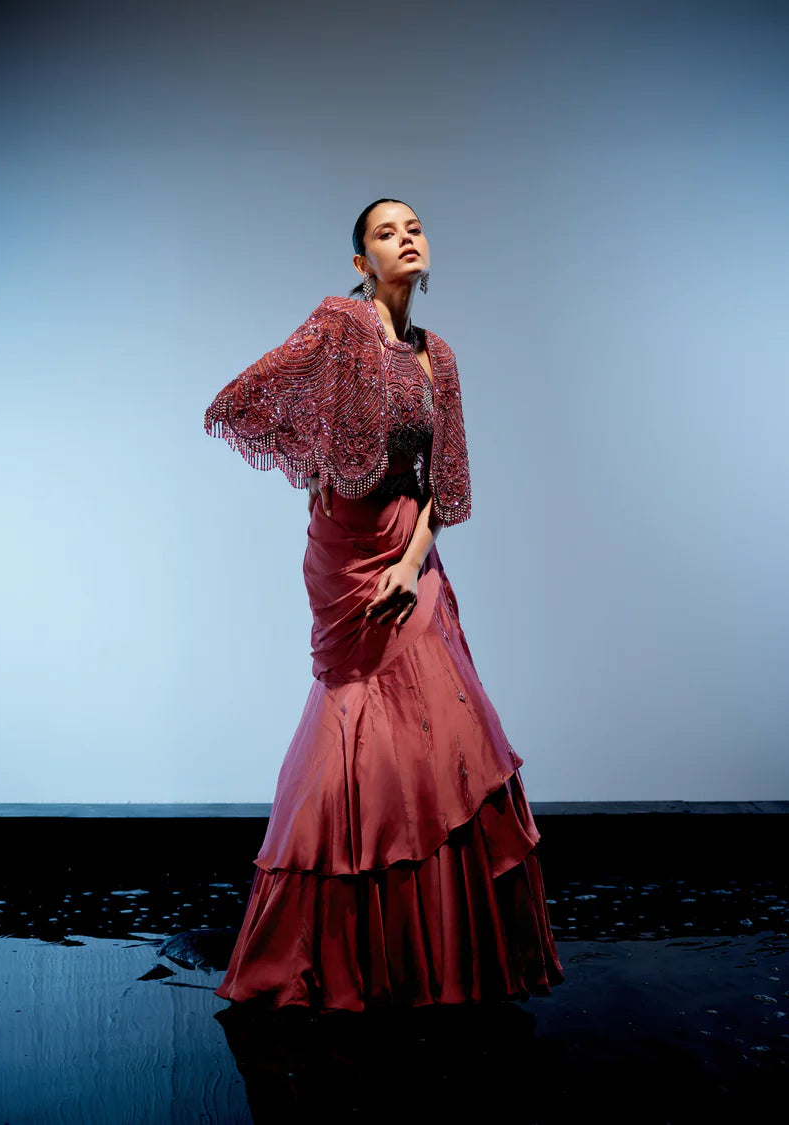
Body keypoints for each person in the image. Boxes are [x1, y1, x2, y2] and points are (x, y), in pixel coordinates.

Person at [203, 198, 564, 1012]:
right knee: (352, 725)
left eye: (414, 228)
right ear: (361, 261)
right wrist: (318, 463)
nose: (406, 239)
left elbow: (450, 481)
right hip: (345, 550)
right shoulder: (340, 324)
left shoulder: (441, 357)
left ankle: (434, 954)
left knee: (447, 725)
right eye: (385, 232)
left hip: (409, 548)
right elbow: (245, 397)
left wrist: (410, 564)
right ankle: (329, 948)